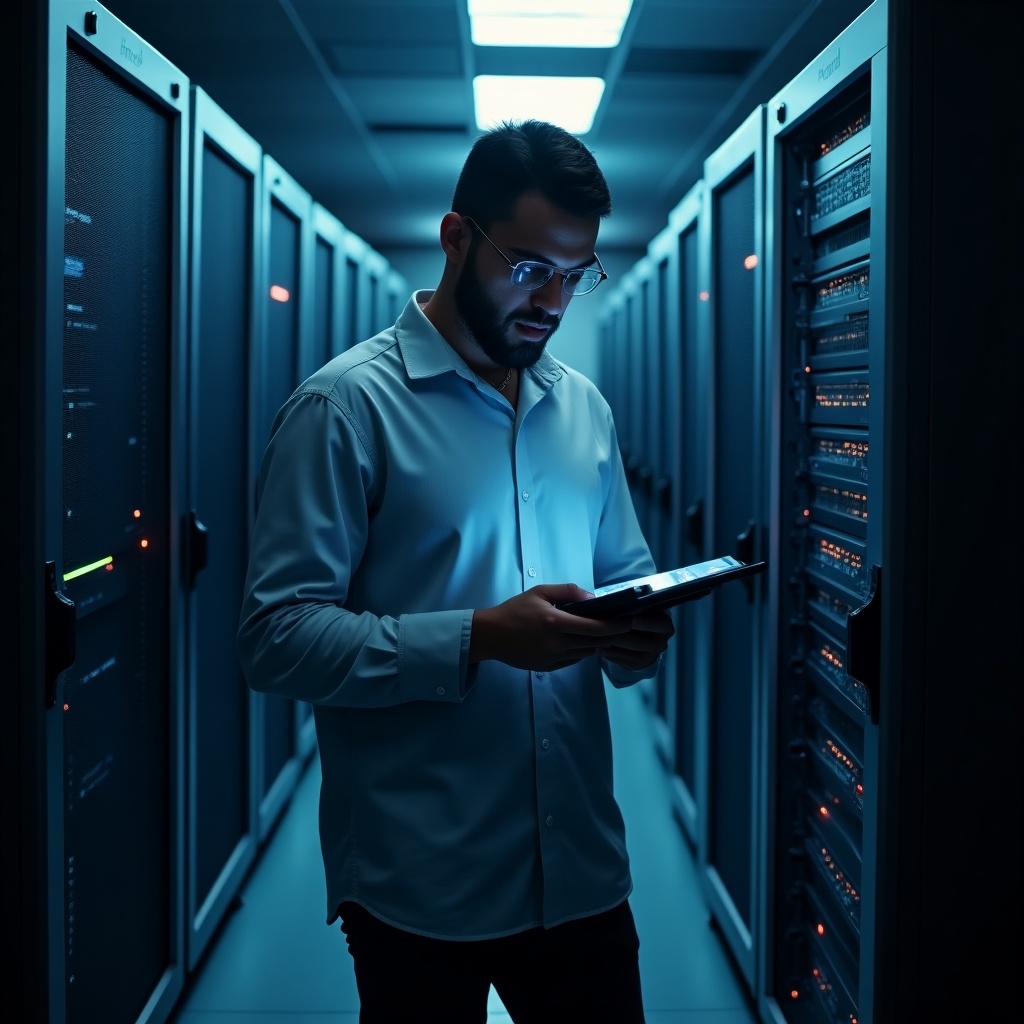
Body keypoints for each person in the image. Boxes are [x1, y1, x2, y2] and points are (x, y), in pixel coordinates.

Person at [237, 118, 675, 1023]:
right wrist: (479, 639)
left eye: (575, 273)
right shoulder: (345, 410)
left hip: (583, 866)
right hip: (421, 883)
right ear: (455, 237)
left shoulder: (581, 410)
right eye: (528, 267)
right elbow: (274, 640)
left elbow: (627, 577)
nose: (554, 299)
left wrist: (639, 629)